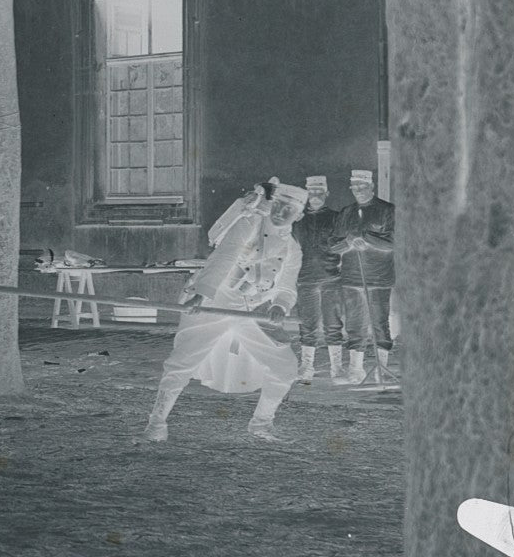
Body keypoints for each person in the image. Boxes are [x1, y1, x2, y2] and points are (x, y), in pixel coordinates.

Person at [143, 179, 307, 443]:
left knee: (285, 366)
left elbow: (288, 285)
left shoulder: (293, 249)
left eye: (289, 209)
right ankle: (156, 423)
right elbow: (225, 257)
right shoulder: (249, 223)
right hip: (215, 299)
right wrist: (202, 293)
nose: (280, 212)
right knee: (182, 361)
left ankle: (261, 424)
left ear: (298, 215)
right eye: (278, 204)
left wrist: (280, 305)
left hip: (252, 309)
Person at [332, 168, 396, 384]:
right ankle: (355, 370)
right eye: (354, 187)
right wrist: (349, 241)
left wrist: (366, 236)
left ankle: (381, 371)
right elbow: (333, 246)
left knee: (379, 322)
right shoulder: (345, 213)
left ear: (371, 186)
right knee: (354, 324)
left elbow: (392, 242)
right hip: (351, 277)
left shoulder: (387, 209)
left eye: (362, 186)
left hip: (378, 278)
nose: (358, 190)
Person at [291, 175, 345, 382]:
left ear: (326, 194)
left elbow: (344, 246)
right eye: (311, 192)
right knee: (307, 324)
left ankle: (337, 368)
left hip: (331, 278)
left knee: (333, 323)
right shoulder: (297, 220)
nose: (315, 196)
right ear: (307, 194)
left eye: (319, 192)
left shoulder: (337, 217)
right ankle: (306, 367)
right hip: (305, 278)